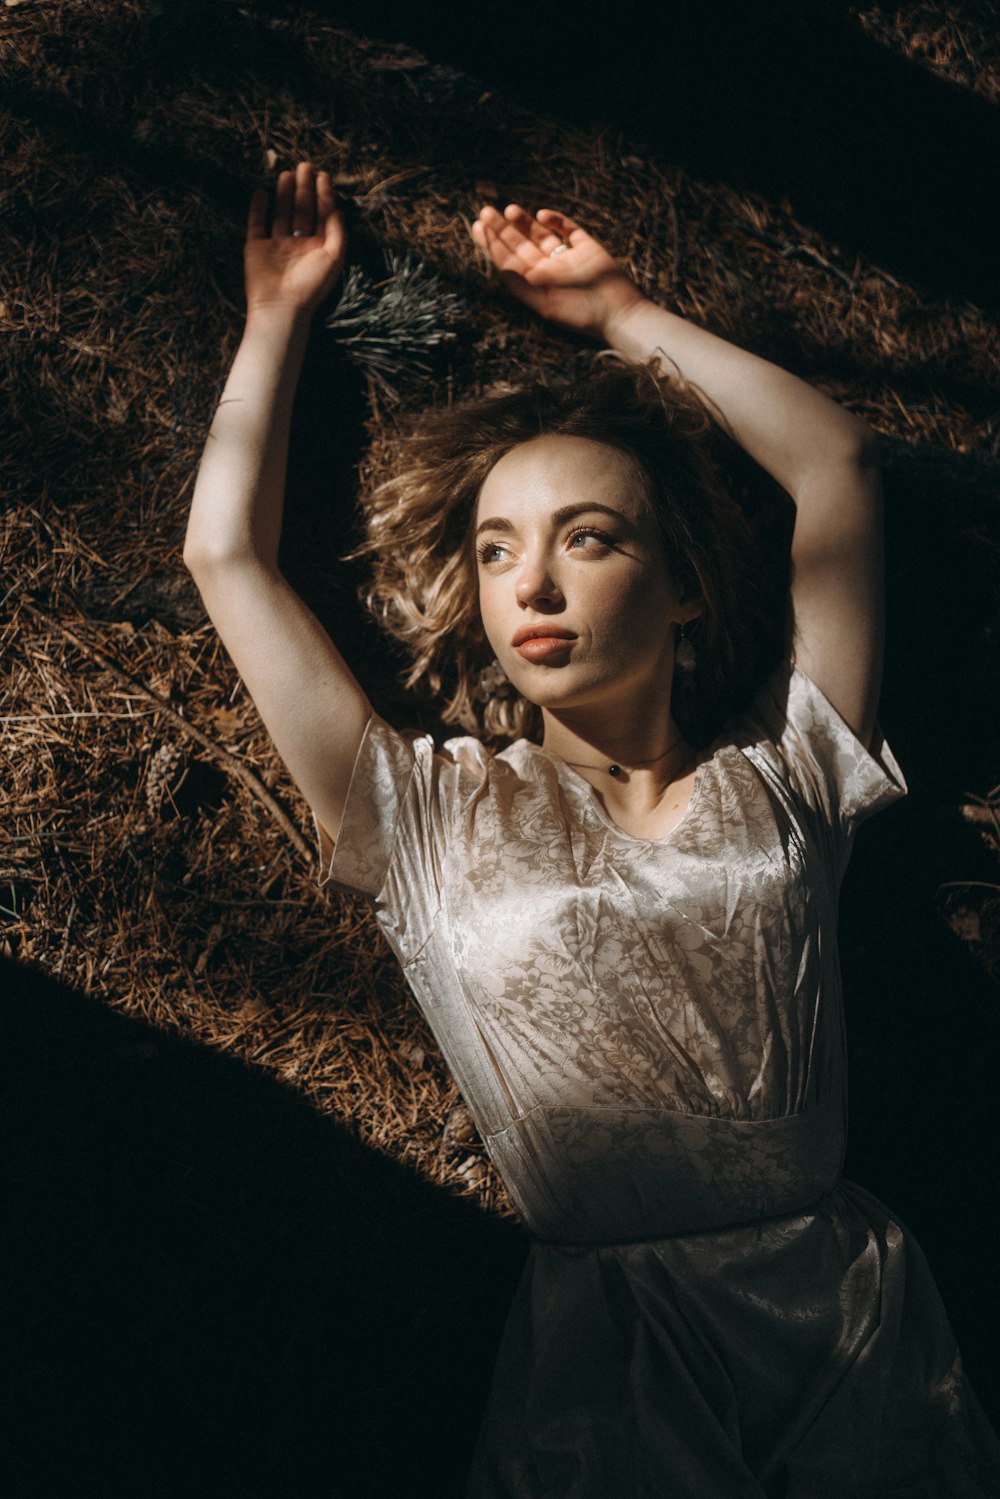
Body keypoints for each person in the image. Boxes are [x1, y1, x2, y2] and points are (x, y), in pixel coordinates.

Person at [184, 162, 1000, 1496]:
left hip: (847, 1323)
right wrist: (273, 316)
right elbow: (225, 559)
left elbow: (834, 467)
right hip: (609, 1356)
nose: (535, 586)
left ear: (684, 590)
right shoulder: (420, 811)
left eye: (590, 539)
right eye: (498, 551)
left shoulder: (789, 766)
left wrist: (624, 310)